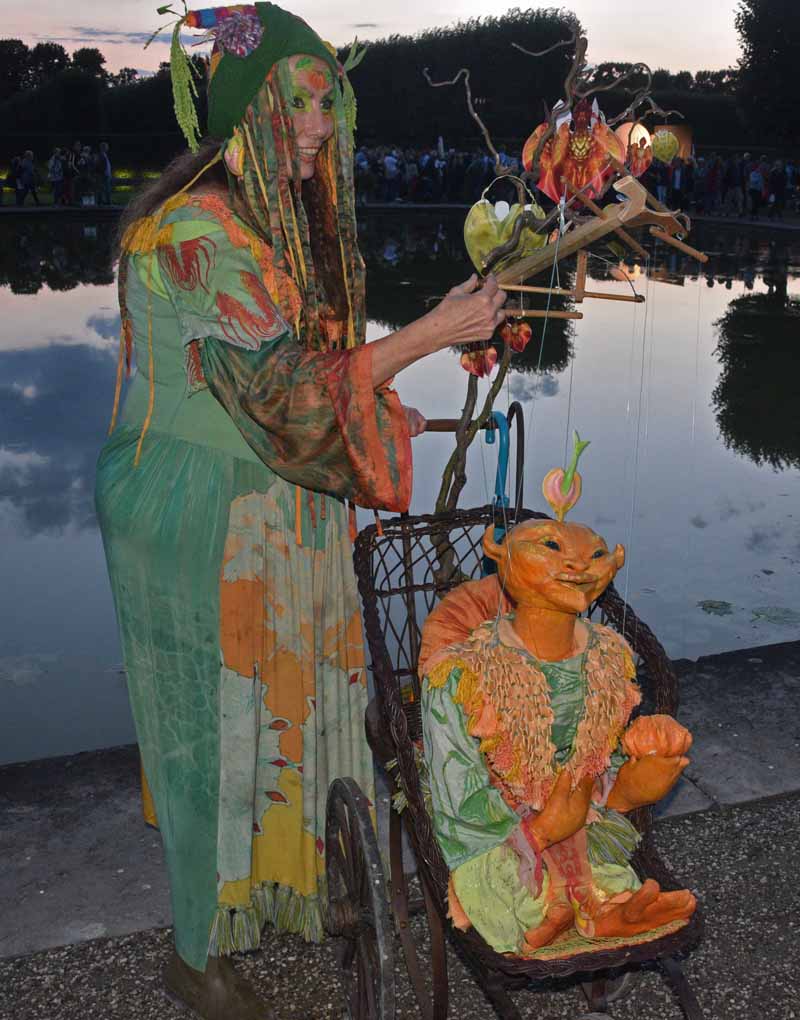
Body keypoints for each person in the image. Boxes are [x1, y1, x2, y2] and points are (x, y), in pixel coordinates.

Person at [94, 5, 507, 1019]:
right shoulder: (200, 229)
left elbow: (299, 383)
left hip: (261, 491)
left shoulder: (265, 215)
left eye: (332, 100)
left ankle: (276, 895)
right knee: (205, 730)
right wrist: (424, 334)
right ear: (247, 113)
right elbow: (285, 393)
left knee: (275, 710)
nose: (322, 122)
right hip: (194, 509)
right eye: (301, 101)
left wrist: (384, 396)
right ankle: (193, 956)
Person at [96, 141, 113, 205]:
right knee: (104, 188)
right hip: (103, 175)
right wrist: (103, 173)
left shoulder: (104, 155)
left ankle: (105, 201)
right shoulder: (101, 155)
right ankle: (104, 201)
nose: (107, 148)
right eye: (106, 147)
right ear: (103, 148)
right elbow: (100, 165)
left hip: (106, 174)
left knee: (105, 188)